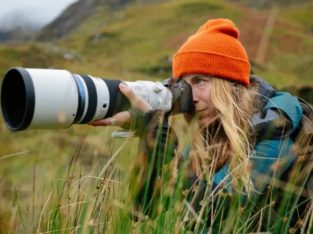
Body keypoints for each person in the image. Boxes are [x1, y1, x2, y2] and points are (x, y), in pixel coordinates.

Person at [91, 18, 312, 232]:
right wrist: (151, 139)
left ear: (230, 86)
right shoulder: (205, 143)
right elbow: (142, 210)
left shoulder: (273, 131)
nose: (191, 97)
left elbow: (223, 214)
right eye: (183, 86)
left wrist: (165, 148)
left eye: (200, 82)